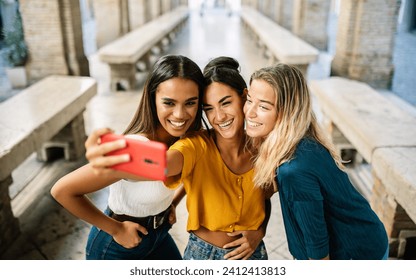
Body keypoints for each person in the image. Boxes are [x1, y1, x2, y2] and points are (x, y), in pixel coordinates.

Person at [85, 57, 271, 260]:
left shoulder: (263, 146)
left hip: (252, 253)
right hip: (203, 255)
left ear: (245, 98)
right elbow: (163, 163)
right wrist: (117, 153)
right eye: (208, 108)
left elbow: (264, 198)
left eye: (225, 103)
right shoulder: (195, 145)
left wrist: (259, 231)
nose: (219, 116)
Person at [50, 54, 206, 260]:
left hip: (159, 235)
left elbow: (191, 166)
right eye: (169, 102)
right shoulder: (138, 146)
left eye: (190, 103)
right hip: (117, 246)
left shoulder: (188, 138)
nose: (179, 114)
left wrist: (172, 204)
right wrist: (115, 229)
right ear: (152, 99)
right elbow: (62, 191)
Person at [243, 63, 389, 260]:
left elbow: (318, 252)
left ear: (287, 112)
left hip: (356, 252)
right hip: (368, 234)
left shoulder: (294, 170)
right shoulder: (303, 137)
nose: (249, 112)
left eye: (263, 106)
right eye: (249, 100)